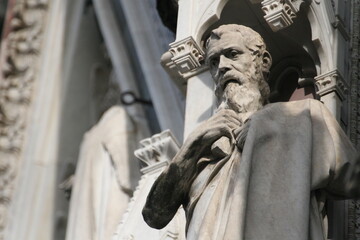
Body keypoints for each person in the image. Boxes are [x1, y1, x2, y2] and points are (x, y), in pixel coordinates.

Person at [142, 24, 359, 240]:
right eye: (214, 62)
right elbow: (155, 215)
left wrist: (266, 126)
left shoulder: (305, 117)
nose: (222, 67)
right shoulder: (203, 150)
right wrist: (194, 142)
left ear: (263, 62)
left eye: (232, 54)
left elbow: (354, 177)